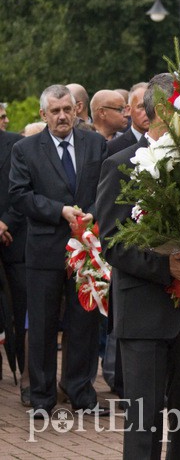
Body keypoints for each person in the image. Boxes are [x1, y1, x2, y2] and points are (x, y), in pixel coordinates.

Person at [97, 73, 180, 459]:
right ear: (160, 114)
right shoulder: (122, 164)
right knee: (143, 420)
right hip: (144, 314)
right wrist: (164, 267)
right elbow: (112, 242)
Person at [8, 84, 108, 417]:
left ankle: (81, 392)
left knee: (84, 323)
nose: (62, 116)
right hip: (45, 250)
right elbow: (20, 195)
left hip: (87, 248)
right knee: (42, 326)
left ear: (77, 109)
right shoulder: (26, 149)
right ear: (43, 115)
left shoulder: (95, 143)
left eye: (67, 109)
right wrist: (60, 211)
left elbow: (107, 187)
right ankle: (41, 398)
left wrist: (92, 212)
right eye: (55, 111)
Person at [0, 126, 27, 404]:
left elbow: (24, 190)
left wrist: (5, 222)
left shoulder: (17, 145)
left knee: (23, 312)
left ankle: (28, 378)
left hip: (15, 240)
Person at [107, 83, 148, 155]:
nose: (149, 111)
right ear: (128, 110)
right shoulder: (112, 148)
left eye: (153, 106)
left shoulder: (170, 142)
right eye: (142, 106)